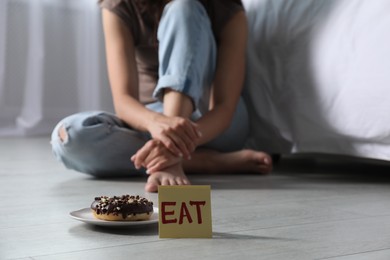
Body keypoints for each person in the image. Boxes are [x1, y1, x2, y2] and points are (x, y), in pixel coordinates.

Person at [51, 0, 273, 193]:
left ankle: (168, 159)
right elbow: (124, 101)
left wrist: (169, 140)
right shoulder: (120, 5)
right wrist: (156, 124)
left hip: (213, 124)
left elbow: (225, 109)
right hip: (152, 120)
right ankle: (203, 161)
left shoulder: (228, 9)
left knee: (184, 8)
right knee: (70, 137)